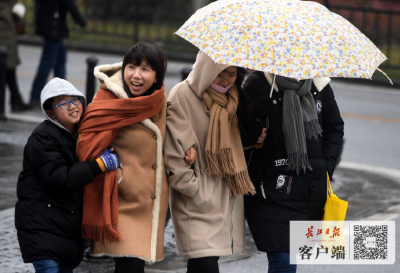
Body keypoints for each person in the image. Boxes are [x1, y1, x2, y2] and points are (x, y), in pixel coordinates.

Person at [76, 43, 190, 273]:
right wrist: (119, 176)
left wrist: (188, 147)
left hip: (150, 200)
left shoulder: (158, 99)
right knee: (130, 266)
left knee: (132, 265)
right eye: (132, 67)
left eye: (146, 69)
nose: (136, 75)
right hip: (120, 199)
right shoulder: (110, 99)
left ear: (158, 76)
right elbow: (86, 147)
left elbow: (173, 134)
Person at [240, 71, 344, 272]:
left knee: (291, 254)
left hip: (308, 188)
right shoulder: (259, 84)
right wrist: (256, 131)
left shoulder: (319, 86)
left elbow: (334, 127)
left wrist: (325, 167)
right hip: (271, 187)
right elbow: (240, 130)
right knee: (282, 259)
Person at [15, 77, 120, 273]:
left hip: (65, 229)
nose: (72, 106)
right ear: (50, 113)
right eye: (63, 103)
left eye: (76, 100)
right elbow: (62, 178)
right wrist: (99, 164)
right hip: (41, 225)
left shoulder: (83, 135)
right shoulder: (42, 137)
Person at [163, 51, 255, 273]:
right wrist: (193, 188)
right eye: (219, 74)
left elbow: (229, 146)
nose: (225, 81)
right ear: (206, 69)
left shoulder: (233, 98)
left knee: (202, 264)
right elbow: (173, 150)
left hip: (225, 194)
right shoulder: (182, 95)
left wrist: (252, 140)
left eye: (232, 74)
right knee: (204, 264)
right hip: (196, 199)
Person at [29, 0, 86, 107]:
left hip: (53, 27)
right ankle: (37, 97)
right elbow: (70, 4)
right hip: (53, 28)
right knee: (47, 64)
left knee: (60, 62)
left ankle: (61, 96)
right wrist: (81, 20)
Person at [0, 0, 29, 111]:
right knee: (9, 74)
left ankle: (16, 100)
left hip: (7, 46)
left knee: (9, 74)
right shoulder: (8, 8)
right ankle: (16, 101)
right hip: (7, 46)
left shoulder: (9, 8)